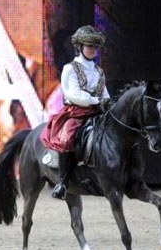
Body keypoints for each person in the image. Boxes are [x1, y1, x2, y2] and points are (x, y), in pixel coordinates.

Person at [40, 25, 111, 200]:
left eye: (95, 46)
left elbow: (105, 93)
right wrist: (96, 100)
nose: (93, 49)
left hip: (98, 112)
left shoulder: (98, 71)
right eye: (89, 46)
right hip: (76, 112)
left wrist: (107, 102)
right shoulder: (70, 68)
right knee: (66, 138)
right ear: (80, 47)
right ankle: (62, 183)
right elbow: (73, 94)